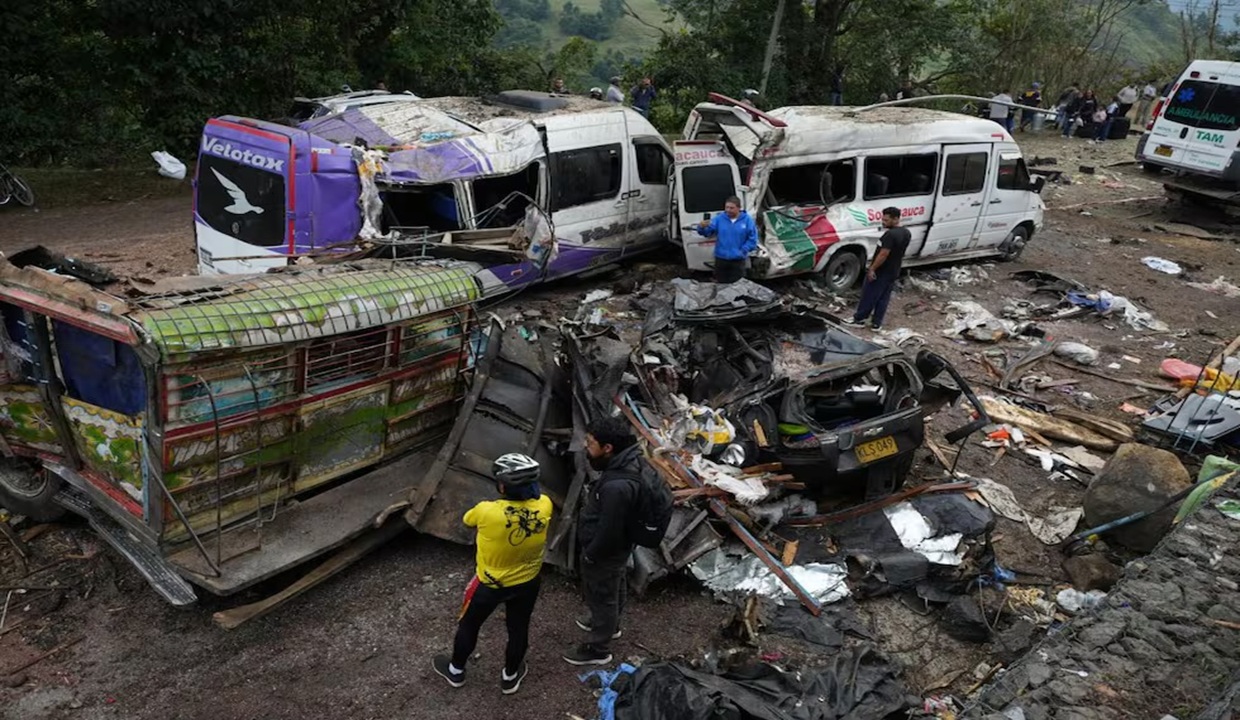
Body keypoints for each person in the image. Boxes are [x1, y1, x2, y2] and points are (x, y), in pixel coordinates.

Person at [432, 453, 552, 695]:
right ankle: (510, 677)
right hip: (527, 582)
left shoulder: (486, 511)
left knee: (469, 625)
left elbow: (467, 520)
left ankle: (456, 671)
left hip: (490, 584)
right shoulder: (545, 505)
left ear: (502, 486)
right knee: (518, 628)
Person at [564, 417, 649, 666]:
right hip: (618, 549)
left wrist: (592, 552)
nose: (585, 447)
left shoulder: (618, 486)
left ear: (608, 447)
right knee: (614, 585)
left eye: (590, 443)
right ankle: (611, 625)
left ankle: (598, 648)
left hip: (605, 551)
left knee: (603, 594)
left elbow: (609, 529)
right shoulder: (627, 463)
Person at [844, 207, 910, 331]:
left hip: (882, 271)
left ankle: (859, 319)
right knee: (883, 297)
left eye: (886, 220)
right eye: (883, 219)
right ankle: (876, 323)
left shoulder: (889, 235)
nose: (883, 222)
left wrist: (872, 269)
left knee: (869, 295)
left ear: (896, 219)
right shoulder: (906, 232)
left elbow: (883, 254)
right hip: (894, 270)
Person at [695, 196, 758, 284]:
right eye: (726, 207)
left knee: (738, 286)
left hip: (738, 260)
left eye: (731, 208)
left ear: (739, 208)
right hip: (721, 259)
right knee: (721, 286)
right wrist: (701, 227)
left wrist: (744, 250)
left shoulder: (747, 220)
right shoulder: (719, 218)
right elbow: (707, 233)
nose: (728, 210)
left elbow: (753, 239)